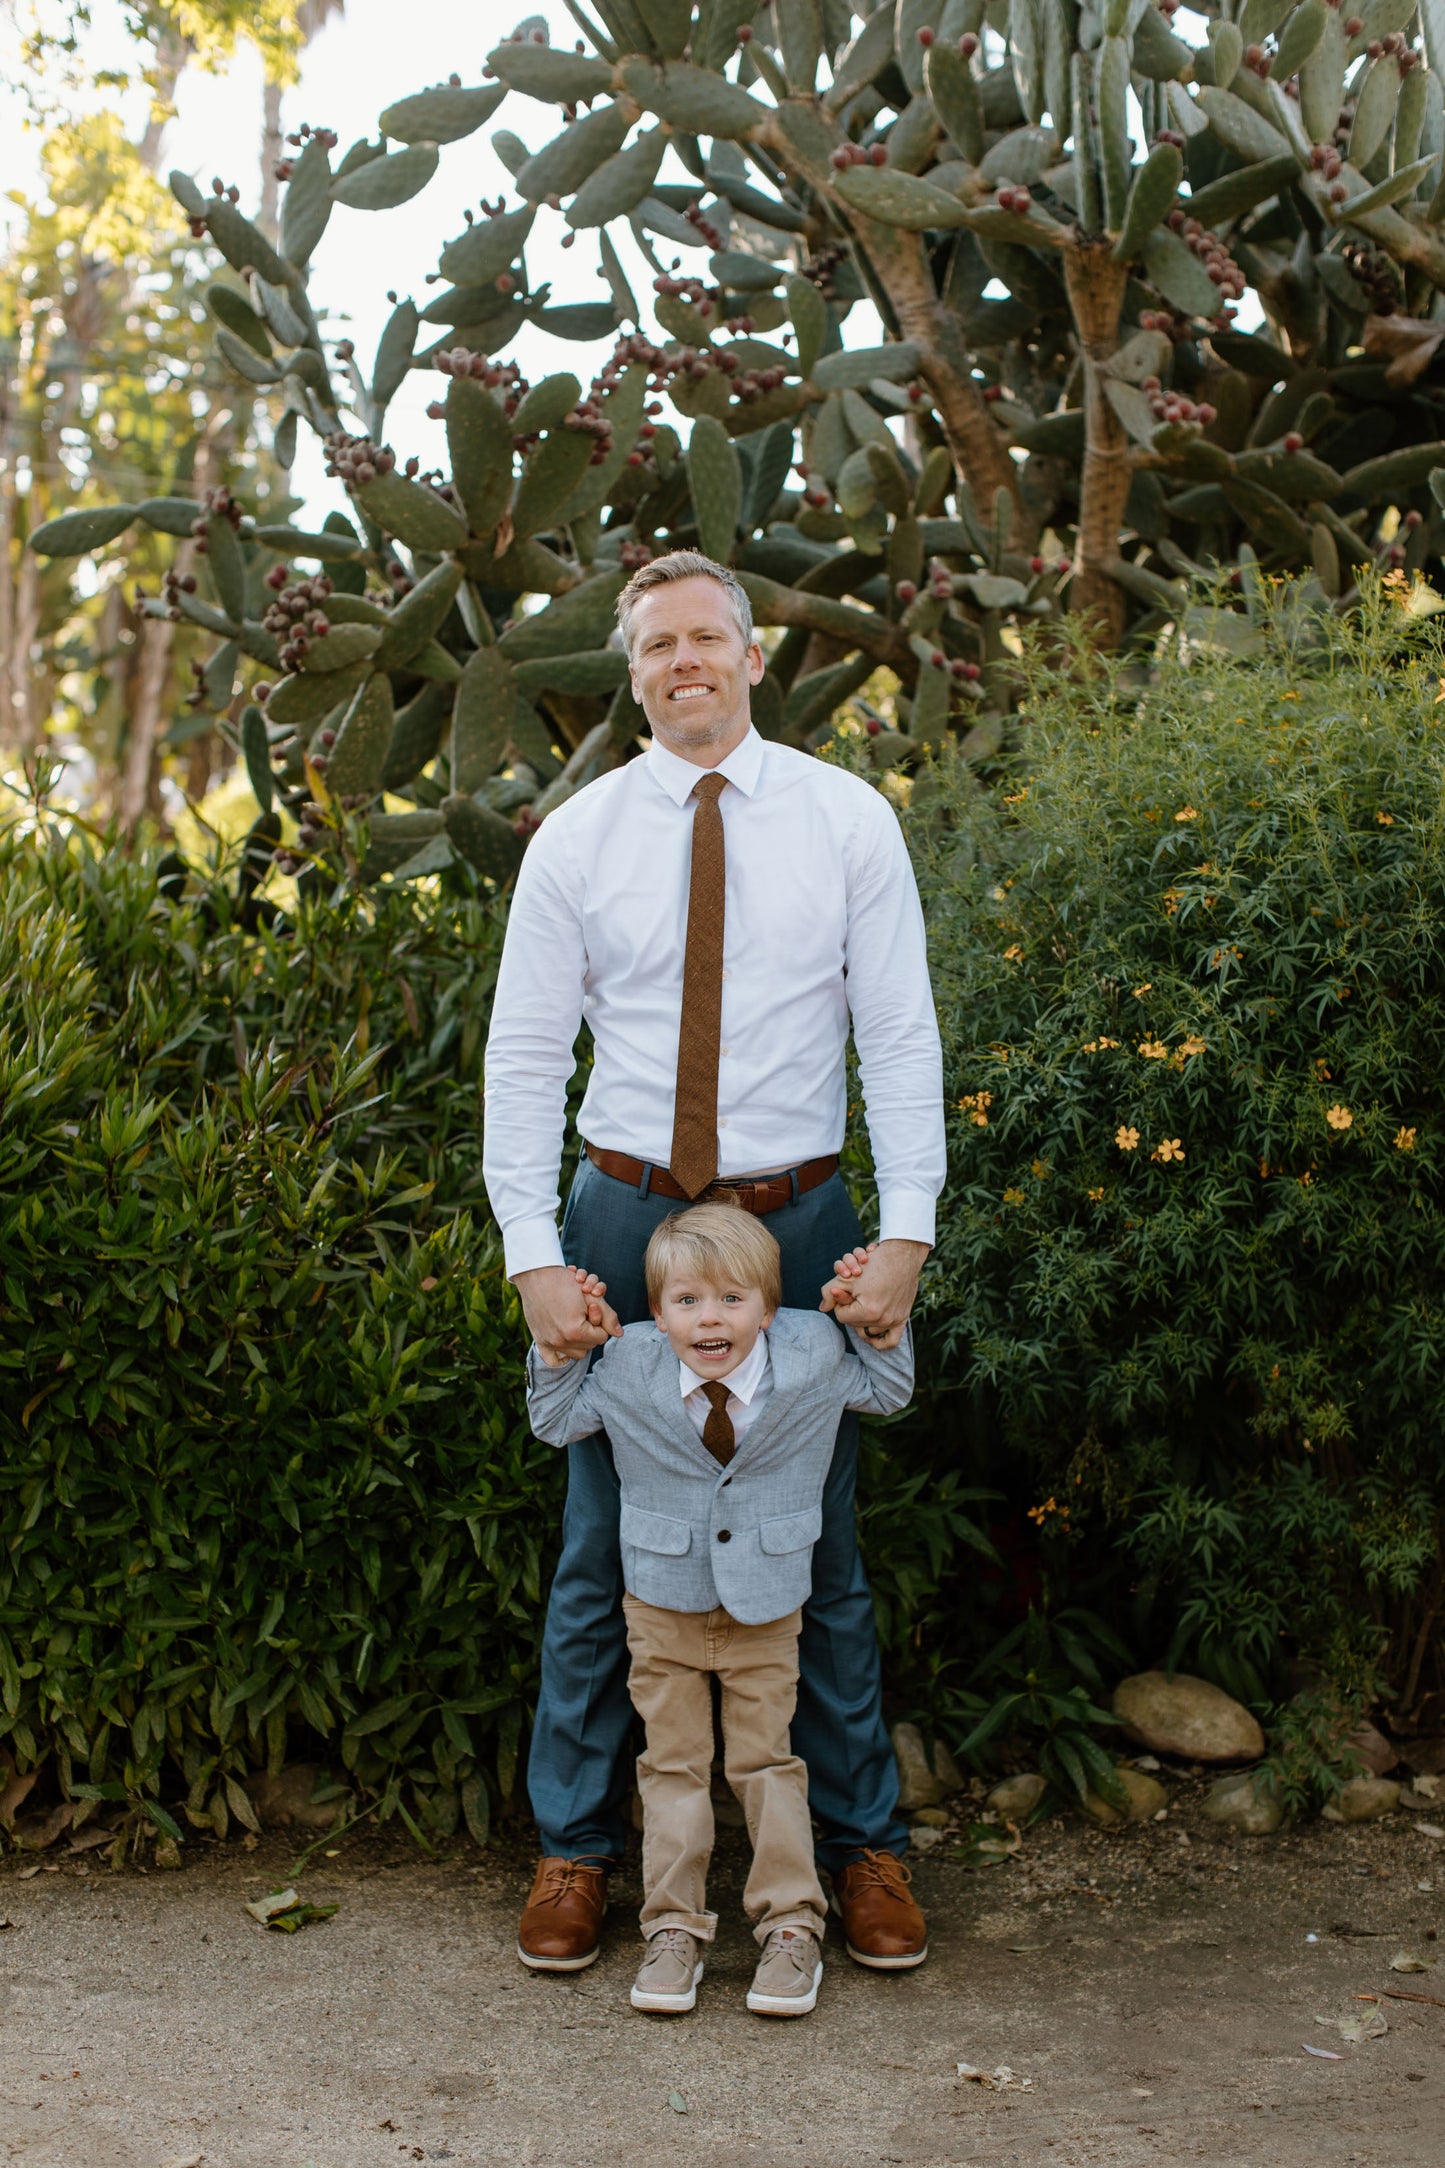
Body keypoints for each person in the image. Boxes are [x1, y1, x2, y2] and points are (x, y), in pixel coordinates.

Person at [483, 548, 945, 1975]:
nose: (683, 661)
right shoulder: (578, 837)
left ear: (751, 657)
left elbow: (901, 1038)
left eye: (705, 639)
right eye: (656, 647)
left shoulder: (846, 818)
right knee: (597, 1545)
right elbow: (521, 1051)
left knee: (825, 1542)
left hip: (799, 1225)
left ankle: (862, 1850)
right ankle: (577, 1851)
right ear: (630, 676)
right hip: (623, 1221)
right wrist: (532, 1256)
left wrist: (909, 1232)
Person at [526, 1205, 914, 2018]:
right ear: (655, 1311)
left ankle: (791, 1926)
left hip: (769, 1607)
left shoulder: (810, 1354)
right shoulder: (625, 1363)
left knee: (767, 1764)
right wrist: (563, 1348)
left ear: (768, 1308)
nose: (711, 1318)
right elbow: (555, 1420)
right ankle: (671, 1928)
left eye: (733, 1300)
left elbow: (888, 1389)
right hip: (659, 1604)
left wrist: (866, 1314)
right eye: (688, 1302)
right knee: (668, 1768)